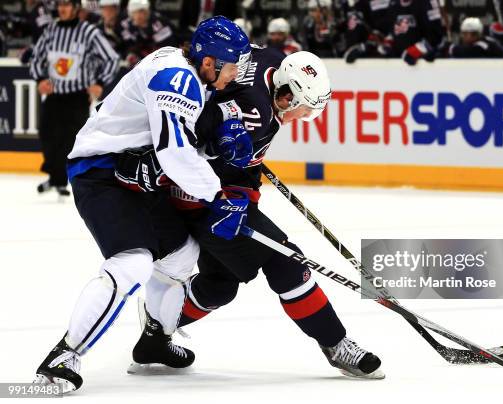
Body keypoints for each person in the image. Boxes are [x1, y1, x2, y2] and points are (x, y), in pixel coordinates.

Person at [122, 49, 385, 379]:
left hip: (209, 192)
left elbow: (219, 91)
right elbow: (190, 148)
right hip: (203, 201)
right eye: (301, 110)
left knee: (219, 285)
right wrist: (230, 168)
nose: (300, 118)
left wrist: (243, 164)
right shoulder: (256, 114)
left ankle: (156, 332)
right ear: (287, 96)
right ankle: (337, 344)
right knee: (287, 261)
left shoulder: (270, 61)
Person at [32, 16, 252, 394]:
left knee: (182, 256)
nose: (235, 74)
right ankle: (61, 359)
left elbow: (174, 139)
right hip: (99, 170)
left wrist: (214, 143)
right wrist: (217, 196)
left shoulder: (188, 72)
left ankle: (154, 341)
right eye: (231, 66)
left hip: (131, 170)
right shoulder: (177, 78)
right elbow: (175, 153)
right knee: (133, 262)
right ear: (209, 62)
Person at [30, 0, 120, 197]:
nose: (62, 8)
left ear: (76, 7)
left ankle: (62, 180)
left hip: (77, 96)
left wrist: (99, 83)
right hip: (55, 94)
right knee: (47, 134)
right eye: (60, 4)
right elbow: (36, 57)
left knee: (69, 139)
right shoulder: (51, 29)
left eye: (67, 4)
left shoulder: (88, 32)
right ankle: (56, 178)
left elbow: (111, 58)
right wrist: (40, 79)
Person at [120, 0, 176, 67]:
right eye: (135, 12)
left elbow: (168, 49)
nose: (139, 15)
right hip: (146, 60)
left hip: (166, 59)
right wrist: (131, 54)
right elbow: (129, 45)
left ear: (147, 11)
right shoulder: (129, 24)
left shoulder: (159, 24)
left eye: (142, 11)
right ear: (131, 14)